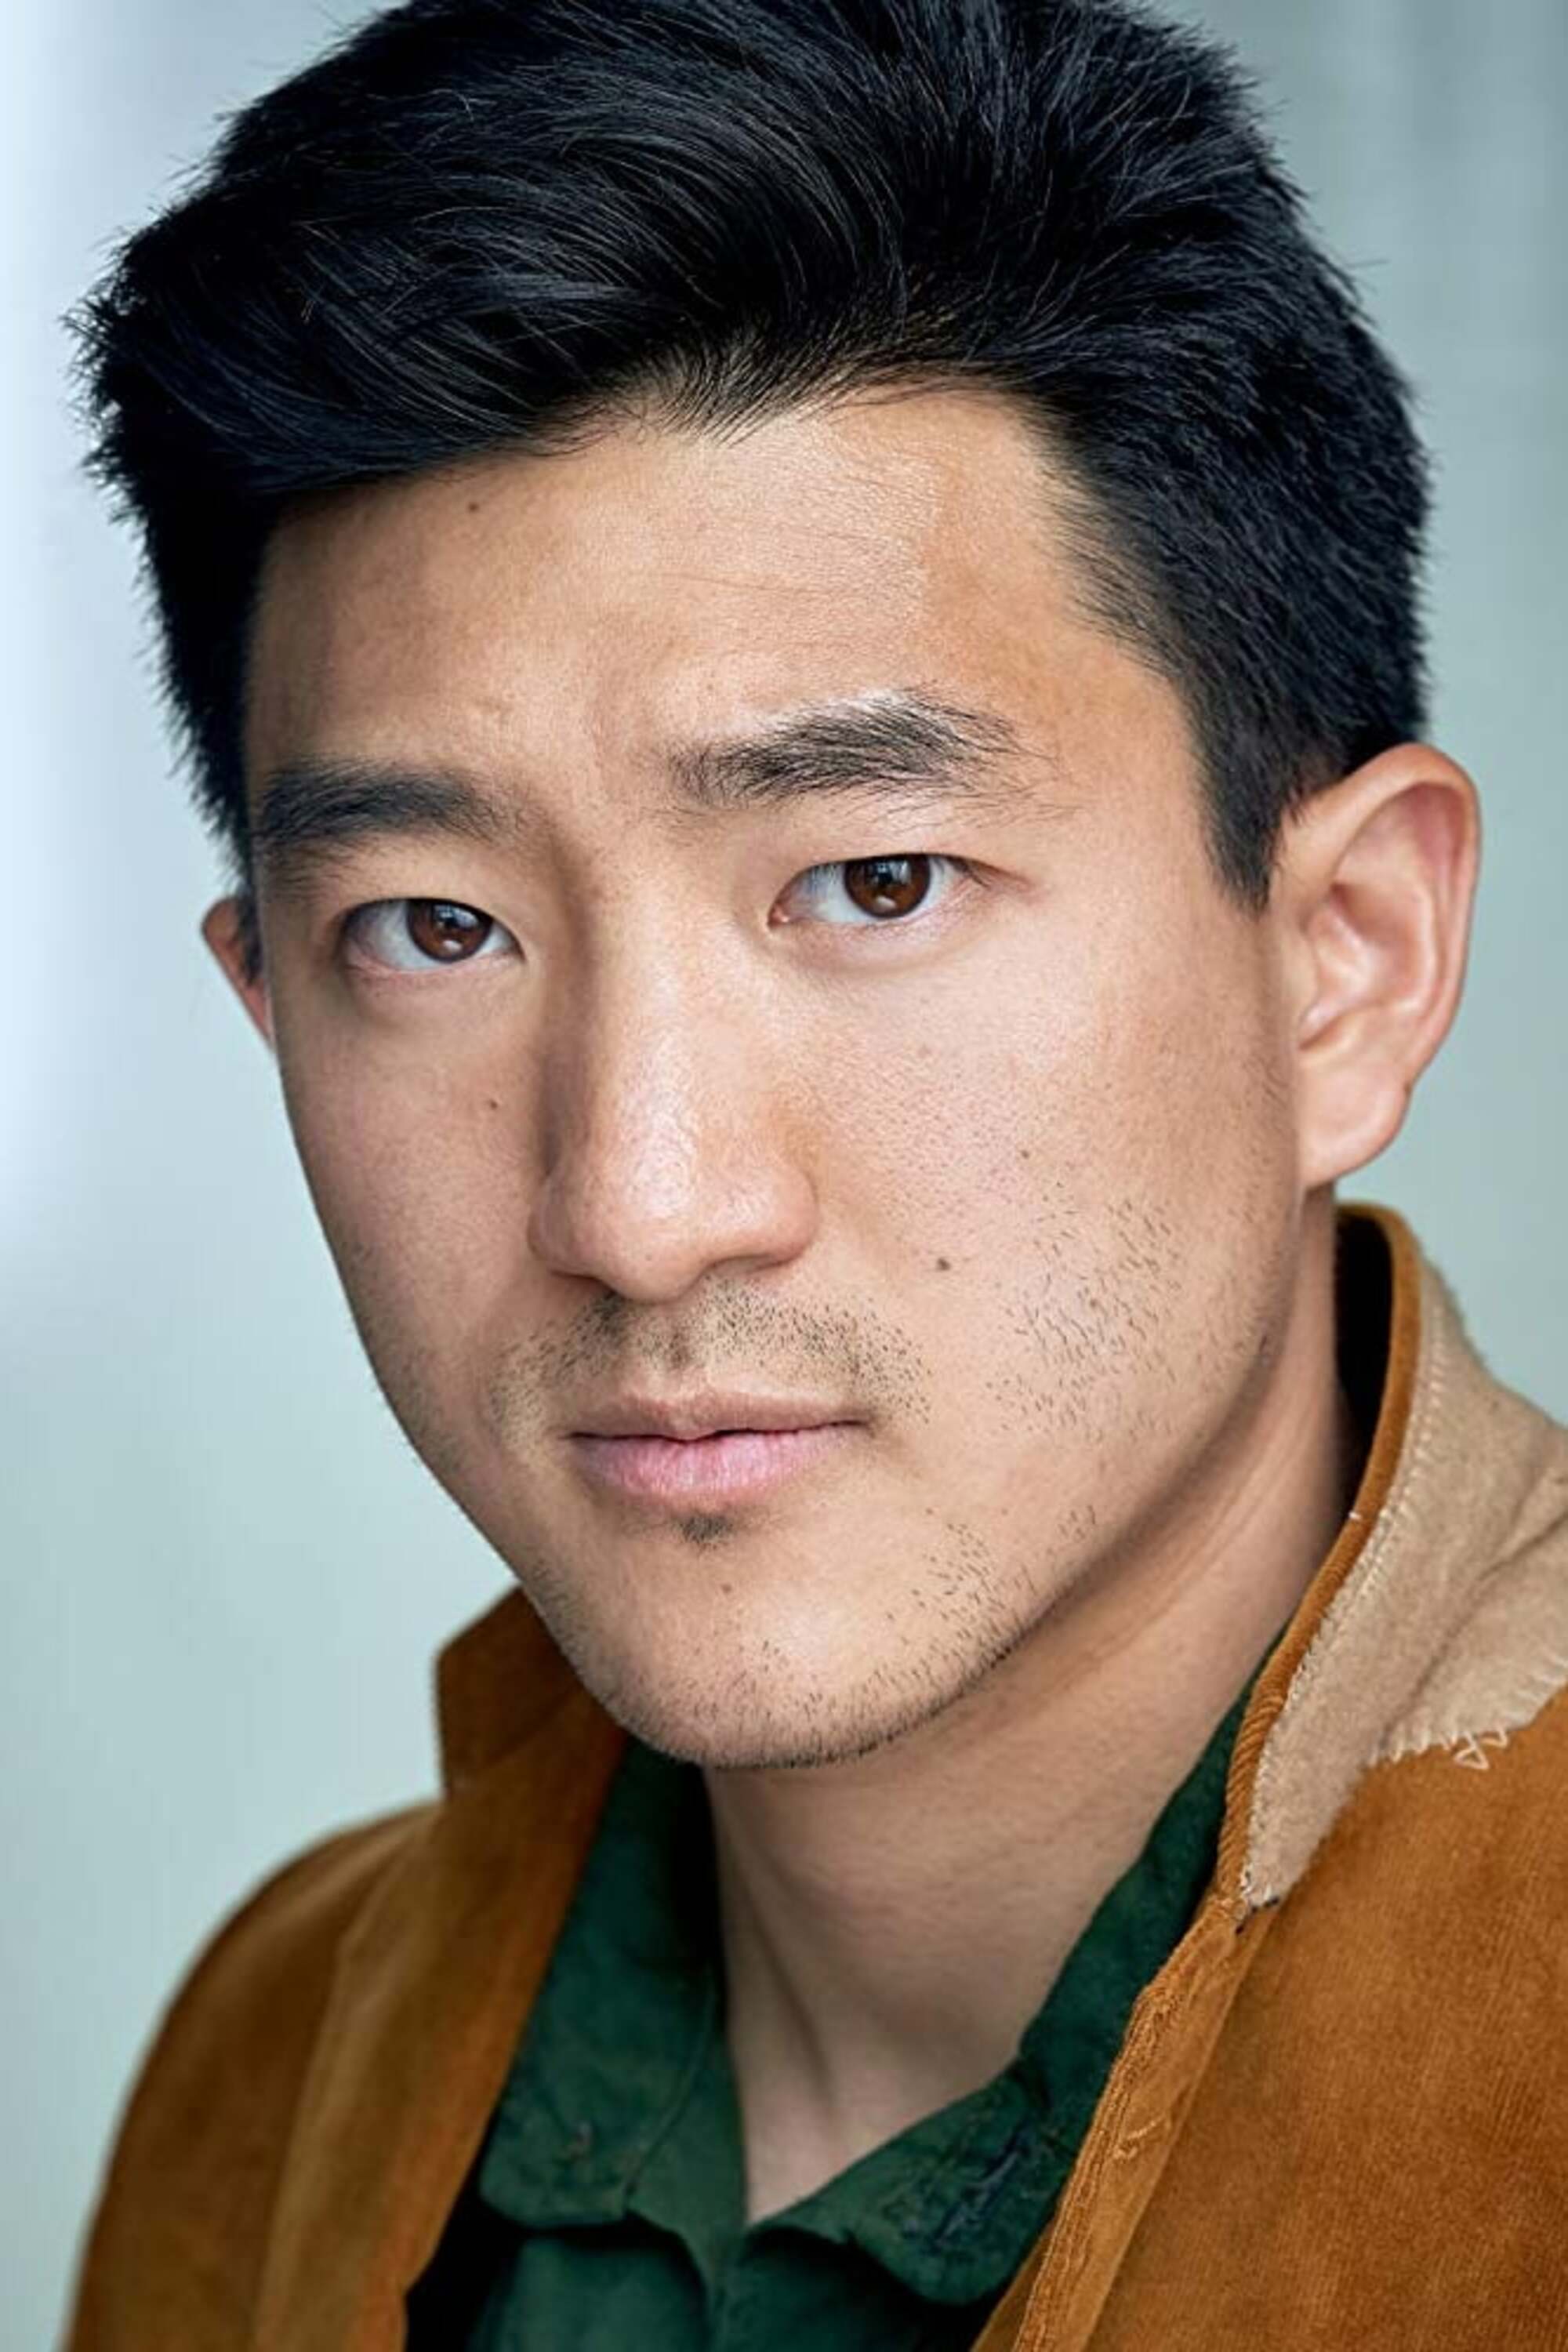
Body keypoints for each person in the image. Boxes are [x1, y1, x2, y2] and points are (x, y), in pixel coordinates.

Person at [62, 0, 1567, 2345]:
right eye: (436, 929)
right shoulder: (271, 2065)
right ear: (271, 1004)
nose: (641, 1204)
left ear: (1345, 962)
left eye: (875, 883)